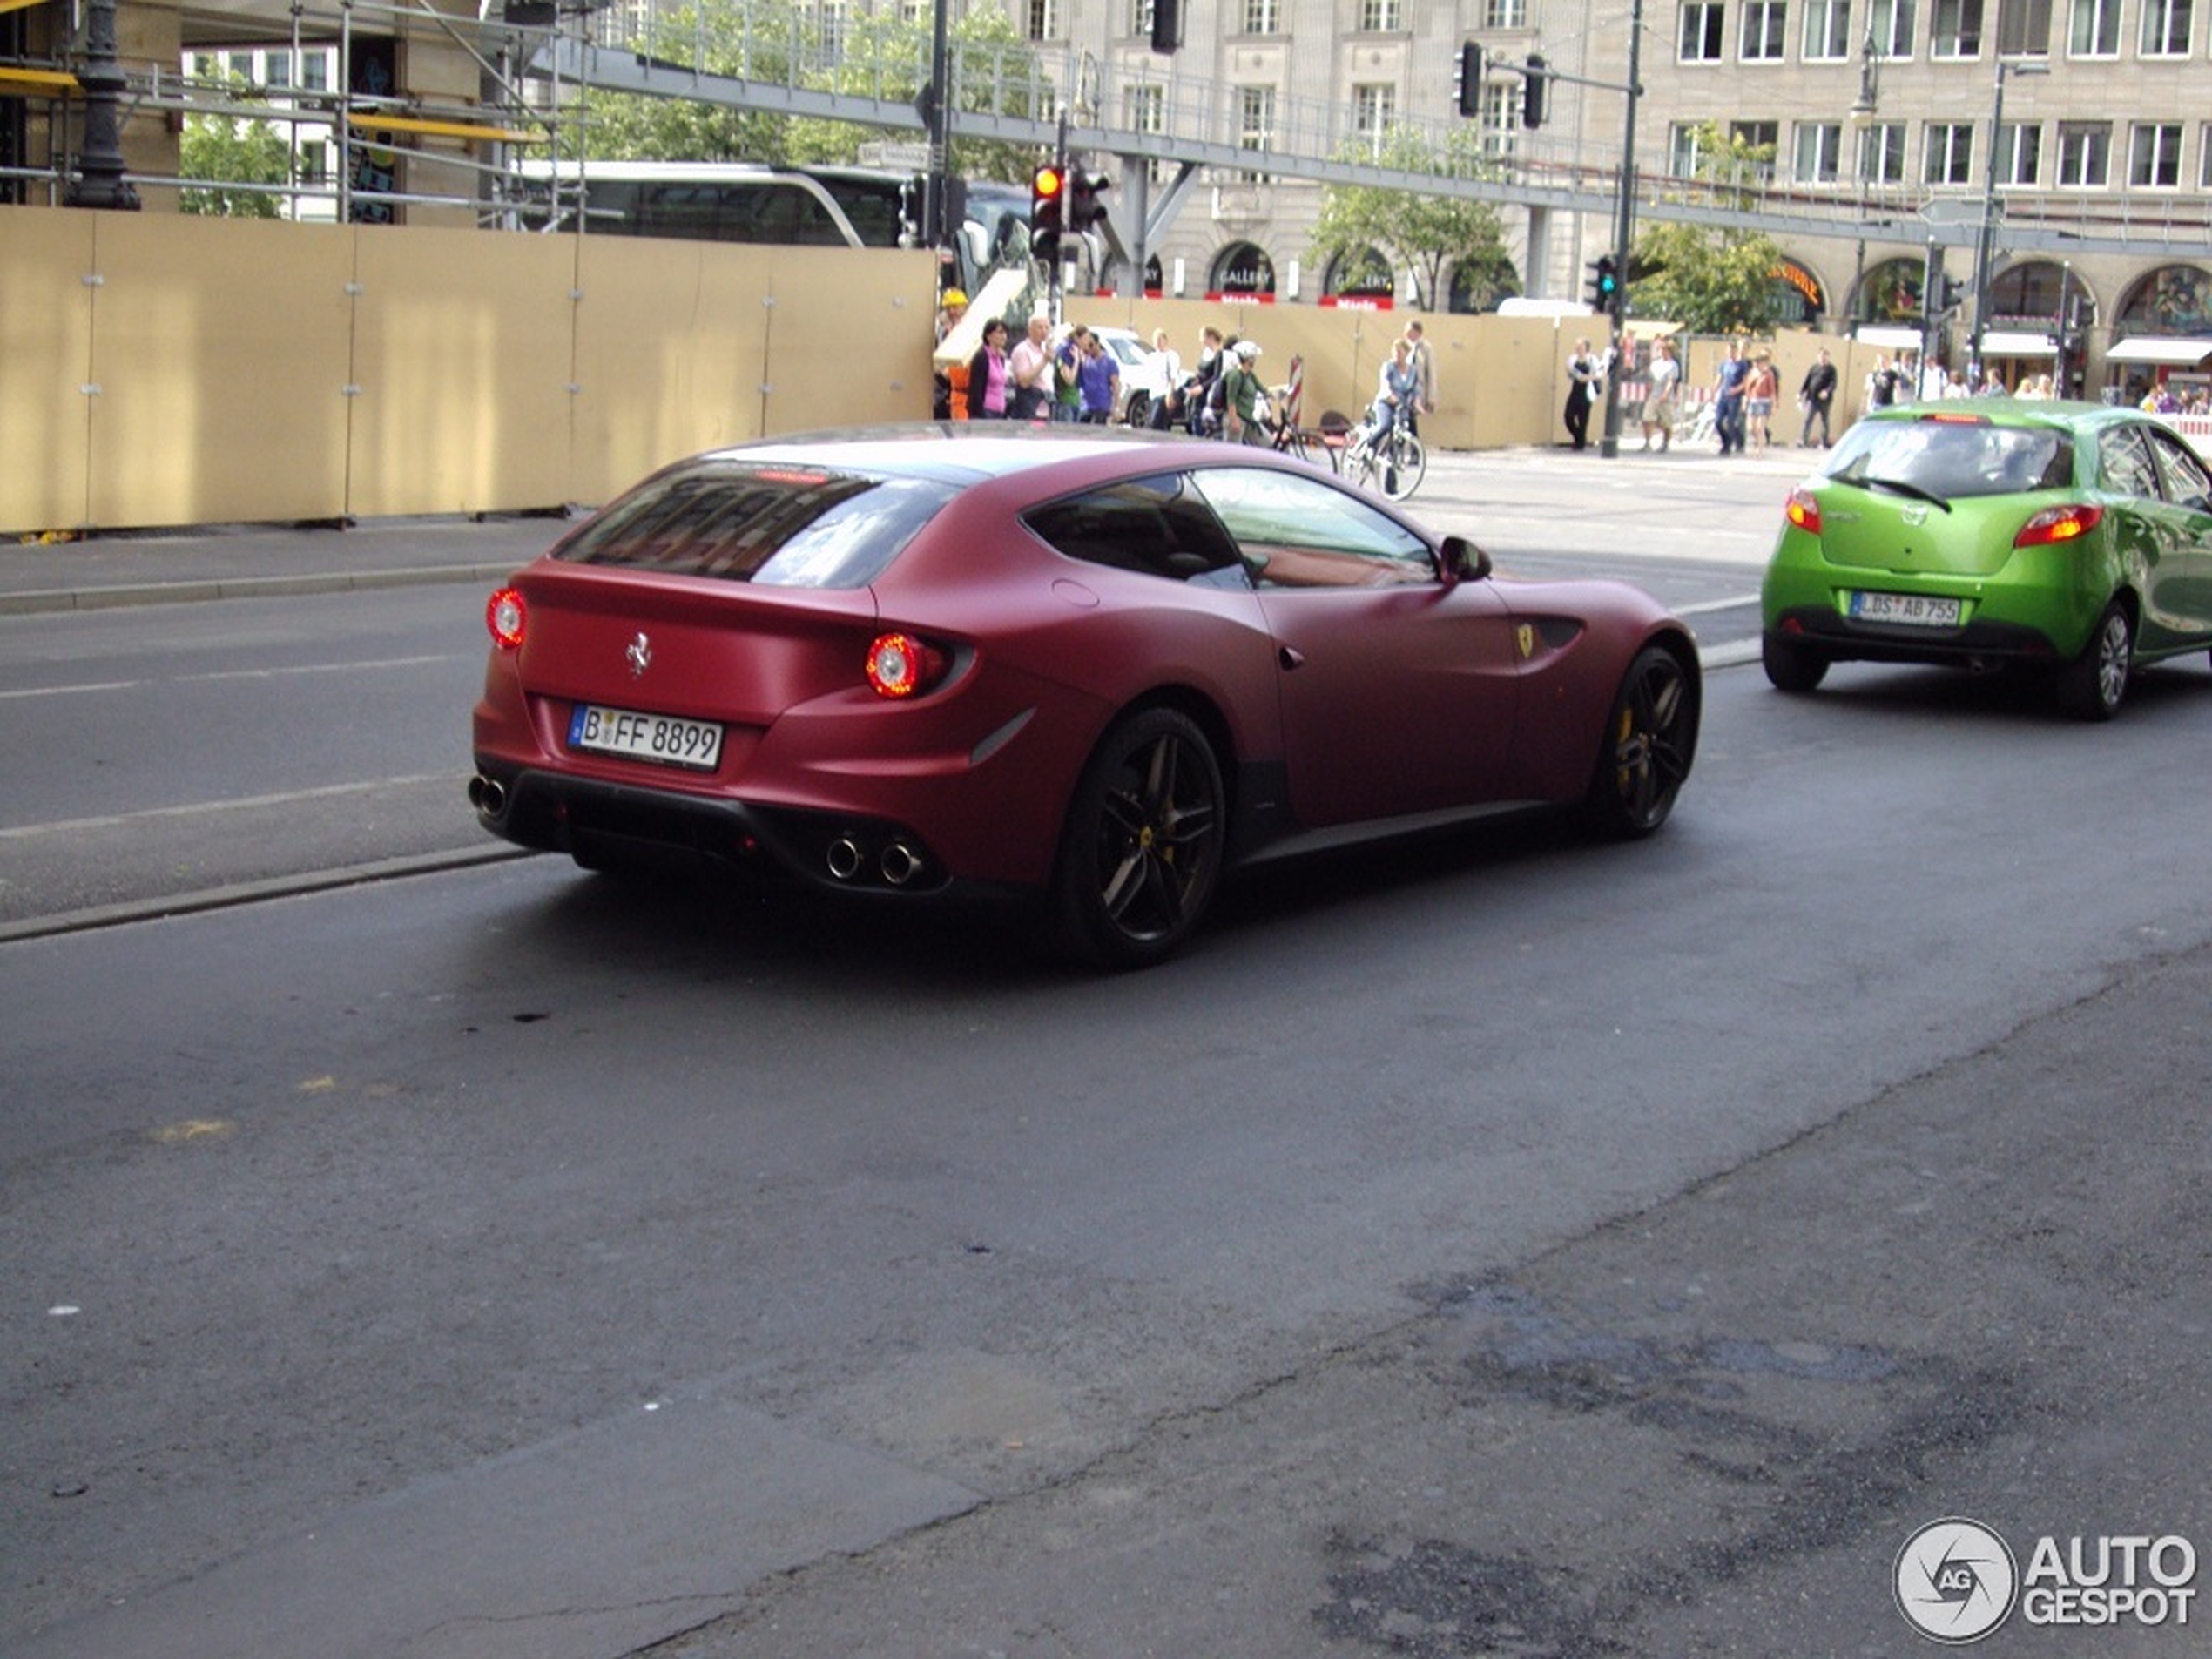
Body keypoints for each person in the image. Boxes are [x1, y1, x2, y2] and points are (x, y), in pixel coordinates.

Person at [1370, 337, 1420, 442]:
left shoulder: (1412, 370)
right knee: (1385, 426)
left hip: (1402, 405)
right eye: (1395, 351)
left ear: (1407, 353)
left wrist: (1417, 403)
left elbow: (1416, 389)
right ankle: (1370, 445)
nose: (1396, 354)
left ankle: (1414, 457)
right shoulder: (1388, 367)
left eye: (1399, 352)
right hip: (1386, 402)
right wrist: (1390, 396)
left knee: (1408, 429)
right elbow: (1385, 385)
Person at [1223, 340, 1271, 445]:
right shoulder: (1235, 376)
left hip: (1248, 419)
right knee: (1233, 452)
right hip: (1237, 418)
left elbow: (1262, 389)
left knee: (1267, 442)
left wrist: (1278, 393)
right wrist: (1234, 420)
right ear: (1246, 358)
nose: (1254, 360)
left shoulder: (1250, 375)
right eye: (1253, 357)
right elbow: (1231, 399)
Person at [1008, 313, 1054, 421]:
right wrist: (1044, 361)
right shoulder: (1022, 350)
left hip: (1046, 410)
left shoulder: (1044, 350)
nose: (1044, 331)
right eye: (1040, 327)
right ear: (1030, 330)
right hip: (1030, 409)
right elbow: (1024, 381)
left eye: (1047, 328)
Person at [964, 317, 1011, 419]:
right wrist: (979, 414)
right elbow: (976, 388)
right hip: (985, 410)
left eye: (1005, 333)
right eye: (1000, 333)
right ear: (988, 336)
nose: (1004, 337)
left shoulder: (1000, 357)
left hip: (1000, 409)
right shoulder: (982, 356)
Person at [1639, 336, 1682, 451]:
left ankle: (1665, 443)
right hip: (1654, 395)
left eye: (1664, 350)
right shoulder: (1655, 364)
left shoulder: (1673, 365)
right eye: (1661, 349)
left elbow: (1671, 382)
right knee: (1646, 419)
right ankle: (1647, 442)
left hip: (1666, 398)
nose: (1662, 352)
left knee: (1667, 422)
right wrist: (1647, 393)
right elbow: (1651, 380)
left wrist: (1665, 395)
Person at [932, 287, 968, 420]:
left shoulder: (970, 332)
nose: (952, 311)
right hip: (946, 387)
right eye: (948, 308)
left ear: (964, 307)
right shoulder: (945, 332)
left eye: (955, 307)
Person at [1563, 336, 1603, 450]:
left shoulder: (1592, 359)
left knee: (1583, 417)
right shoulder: (1572, 359)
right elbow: (1570, 372)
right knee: (1568, 416)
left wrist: (1588, 377)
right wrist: (1577, 375)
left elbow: (1599, 374)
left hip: (1587, 390)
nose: (1578, 348)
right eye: (1577, 346)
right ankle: (1579, 437)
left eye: (1580, 346)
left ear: (1586, 347)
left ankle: (1579, 444)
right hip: (1576, 389)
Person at [1713, 340, 1750, 455]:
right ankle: (1728, 440)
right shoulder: (1724, 364)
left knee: (1731, 422)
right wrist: (1713, 391)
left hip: (1735, 398)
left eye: (1732, 351)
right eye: (1728, 351)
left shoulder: (1742, 365)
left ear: (1736, 351)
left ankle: (1728, 446)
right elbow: (1719, 378)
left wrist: (1736, 390)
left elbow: (1745, 382)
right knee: (1718, 421)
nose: (1730, 353)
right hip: (1724, 396)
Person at [1401, 319, 1437, 437]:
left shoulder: (1425, 348)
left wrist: (1431, 397)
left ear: (1417, 332)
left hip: (1416, 388)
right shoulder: (1404, 346)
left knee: (1410, 417)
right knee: (1403, 418)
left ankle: (1414, 448)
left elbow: (1431, 373)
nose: (1406, 333)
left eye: (1409, 331)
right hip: (1403, 387)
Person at [1076, 329, 1120, 424]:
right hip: (1085, 405)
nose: (1089, 349)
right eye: (1087, 346)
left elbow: (1116, 385)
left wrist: (1116, 407)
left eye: (1091, 345)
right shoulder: (1085, 360)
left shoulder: (1109, 362)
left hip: (1101, 406)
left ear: (1098, 344)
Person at [1797, 347, 1838, 448]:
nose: (1823, 358)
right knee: (1808, 419)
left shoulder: (1831, 369)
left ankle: (1823, 442)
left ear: (1828, 357)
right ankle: (1803, 440)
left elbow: (1833, 384)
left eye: (1825, 356)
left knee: (1825, 421)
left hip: (1825, 400)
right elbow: (1807, 382)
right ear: (1818, 356)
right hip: (1812, 399)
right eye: (1821, 356)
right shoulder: (1814, 368)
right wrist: (1800, 393)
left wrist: (1826, 392)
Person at [1744, 349, 1777, 453]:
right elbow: (1747, 387)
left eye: (1761, 362)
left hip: (1764, 401)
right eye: (1757, 362)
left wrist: (1774, 405)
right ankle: (1757, 440)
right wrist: (1746, 400)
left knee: (1760, 426)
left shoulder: (1769, 374)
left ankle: (1759, 449)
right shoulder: (1752, 373)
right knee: (1751, 427)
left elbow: (1772, 390)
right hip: (1753, 400)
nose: (1759, 364)